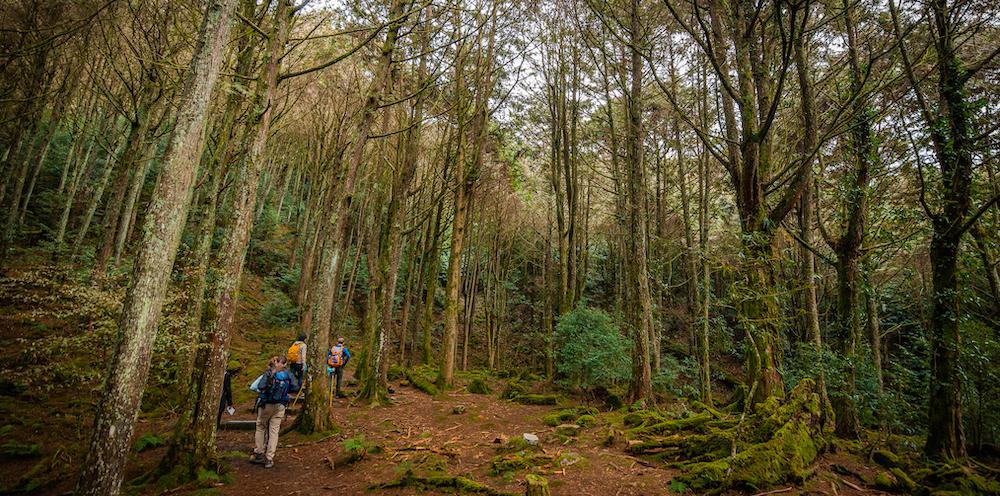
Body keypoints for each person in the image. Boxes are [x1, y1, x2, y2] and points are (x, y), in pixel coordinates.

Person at [251, 356, 292, 468]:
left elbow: (260, 386)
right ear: (284, 364)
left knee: (261, 427)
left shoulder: (270, 373)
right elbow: (295, 387)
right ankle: (270, 458)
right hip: (280, 405)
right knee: (274, 431)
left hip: (266, 404)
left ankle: (259, 452)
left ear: (276, 362)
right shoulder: (287, 374)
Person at [217, 359, 241, 428]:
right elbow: (227, 389)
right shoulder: (226, 375)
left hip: (218, 396)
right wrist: (230, 402)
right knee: (218, 413)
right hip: (221, 397)